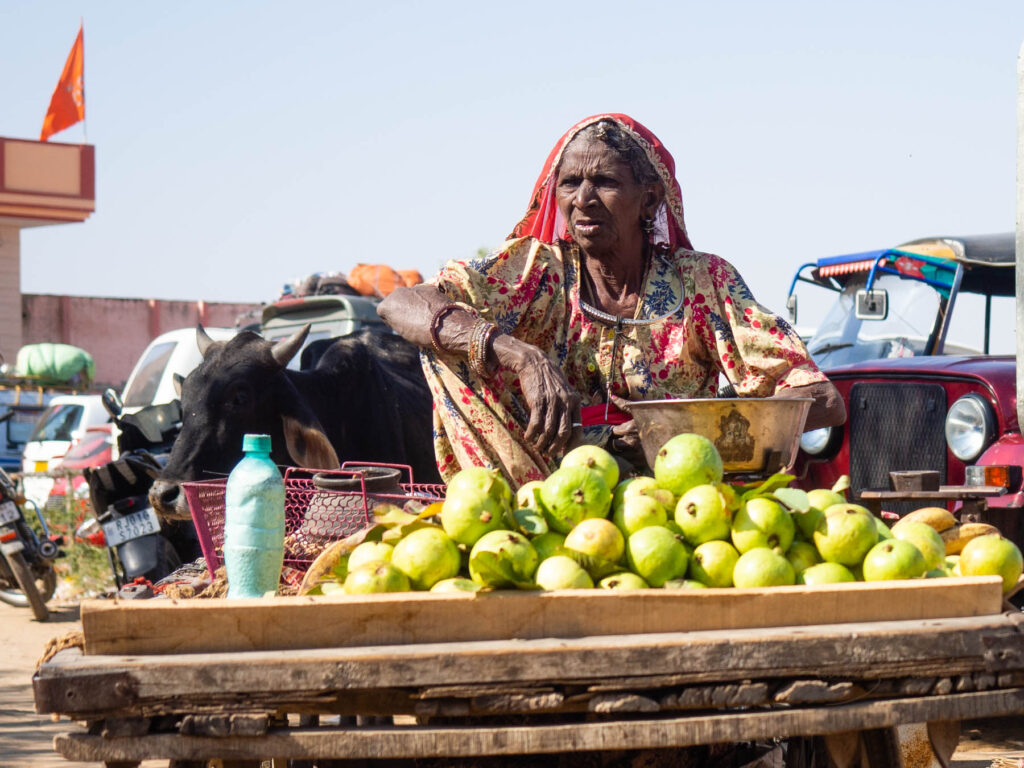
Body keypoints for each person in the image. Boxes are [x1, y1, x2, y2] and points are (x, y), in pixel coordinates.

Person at [378, 113, 845, 487]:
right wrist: (523, 357)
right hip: (550, 487)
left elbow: (821, 399)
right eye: (569, 183)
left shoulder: (702, 282)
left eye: (604, 182)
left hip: (675, 494)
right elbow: (399, 303)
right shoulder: (538, 270)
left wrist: (670, 432)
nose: (583, 199)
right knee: (447, 340)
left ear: (649, 199)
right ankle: (512, 515)